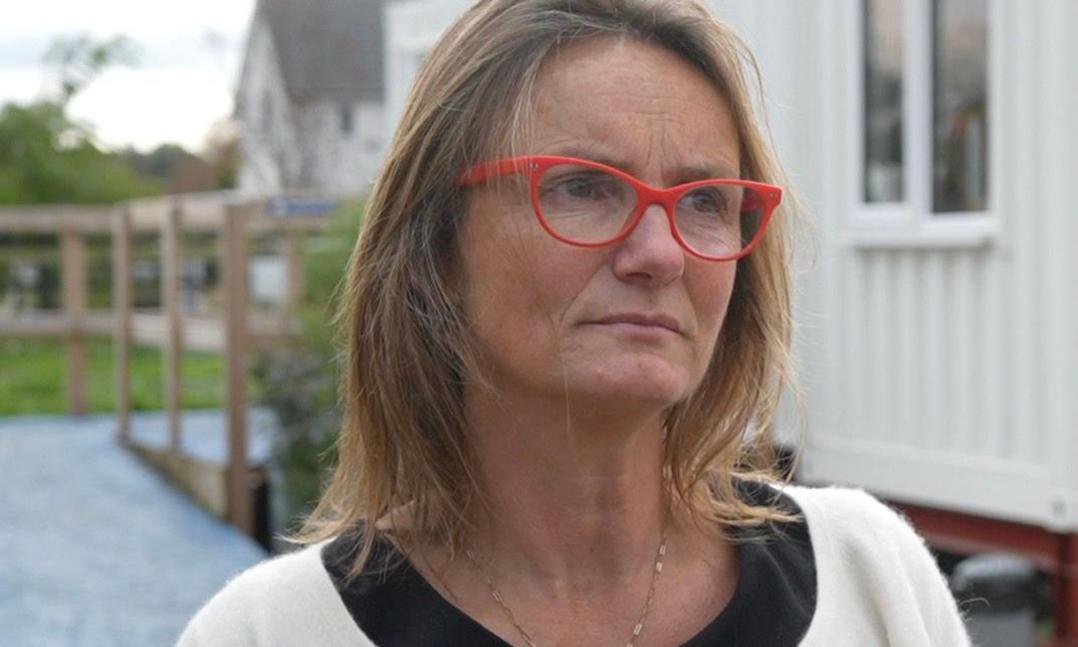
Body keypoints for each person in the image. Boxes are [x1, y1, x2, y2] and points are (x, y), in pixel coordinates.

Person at [178, 0, 971, 645]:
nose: (660, 252)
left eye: (704, 202)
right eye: (585, 187)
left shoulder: (872, 579)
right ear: (437, 246)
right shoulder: (268, 631)